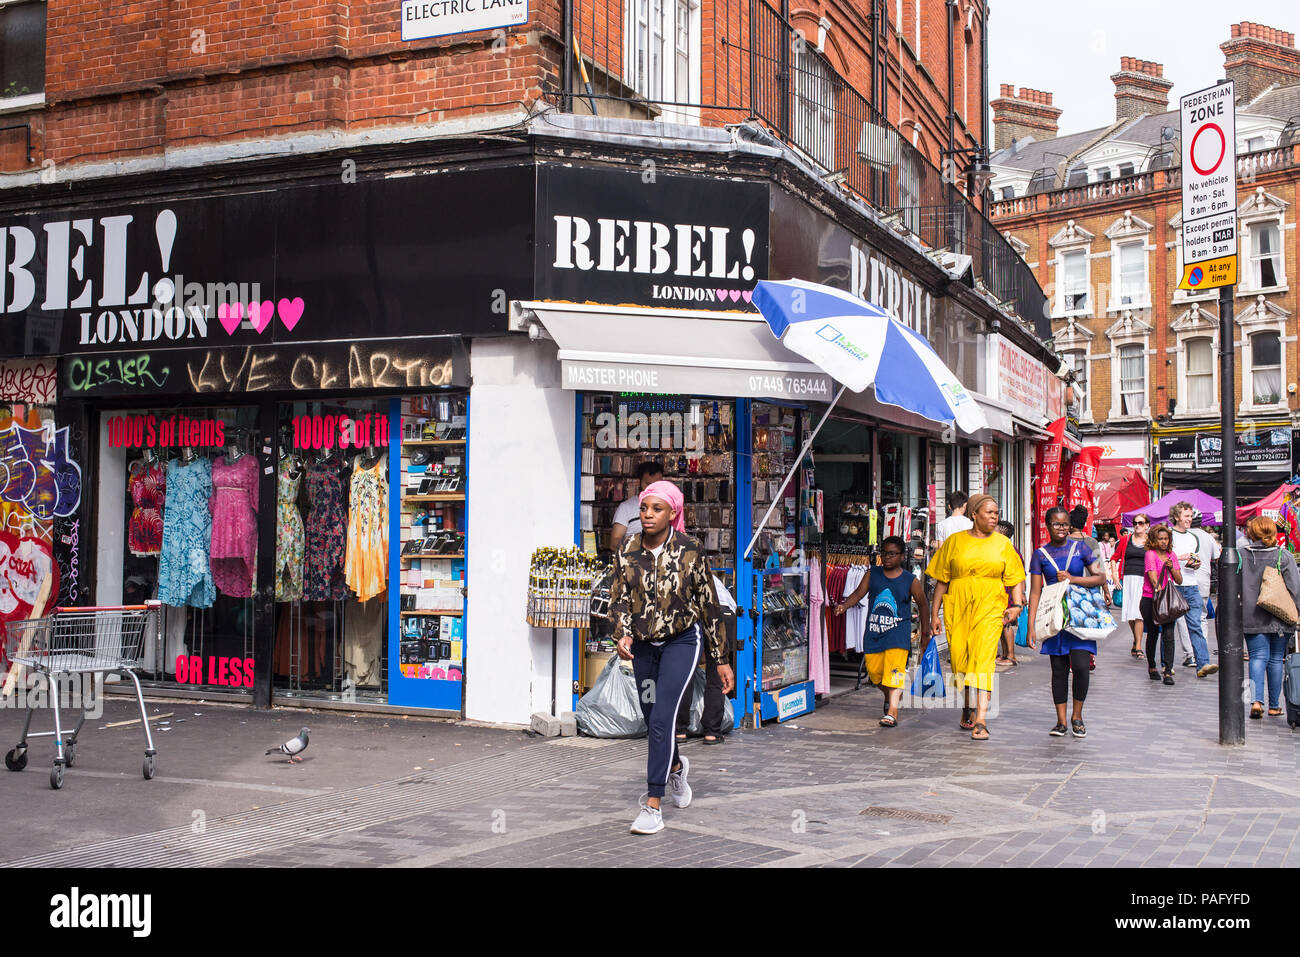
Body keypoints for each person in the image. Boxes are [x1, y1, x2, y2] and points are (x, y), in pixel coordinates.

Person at [611, 480, 734, 835]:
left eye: (657, 509)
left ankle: (652, 804)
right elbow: (618, 597)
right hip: (645, 647)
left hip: (682, 641)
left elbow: (709, 607)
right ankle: (677, 769)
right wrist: (623, 632)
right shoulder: (627, 548)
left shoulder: (690, 550)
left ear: (673, 513)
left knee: (664, 718)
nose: (648, 515)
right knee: (653, 722)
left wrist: (720, 659)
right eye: (645, 508)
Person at [926, 493, 1026, 741]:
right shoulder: (955, 542)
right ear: (974, 514)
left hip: (990, 606)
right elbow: (942, 580)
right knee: (961, 660)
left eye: (996, 513)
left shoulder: (1002, 544)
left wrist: (1017, 605)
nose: (995, 517)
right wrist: (933, 615)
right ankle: (967, 705)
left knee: (983, 659)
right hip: (958, 606)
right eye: (989, 513)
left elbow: (1015, 578)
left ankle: (981, 718)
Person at [834, 536, 933, 727]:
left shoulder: (910, 580)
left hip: (898, 635)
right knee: (875, 674)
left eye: (892, 554)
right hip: (874, 633)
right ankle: (891, 695)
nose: (887, 557)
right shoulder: (873, 574)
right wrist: (844, 606)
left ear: (902, 556)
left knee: (894, 673)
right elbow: (858, 593)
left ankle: (892, 711)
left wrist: (925, 633)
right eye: (884, 553)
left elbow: (923, 604)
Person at [1027, 507, 1107, 737]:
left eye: (1064, 524)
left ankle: (1077, 715)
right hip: (1055, 617)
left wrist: (1074, 579)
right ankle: (1061, 721)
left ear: (1069, 525)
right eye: (1056, 524)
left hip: (1079, 615)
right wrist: (1031, 625)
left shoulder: (1081, 547)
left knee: (1082, 667)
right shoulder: (1040, 554)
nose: (1061, 529)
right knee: (1058, 669)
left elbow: (1100, 577)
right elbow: (1034, 591)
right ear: (1047, 525)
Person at [1240, 516, 1300, 719]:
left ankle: (1256, 702)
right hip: (1280, 617)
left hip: (1251, 615)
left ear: (1251, 532)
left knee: (1257, 657)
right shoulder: (1284, 556)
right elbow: (1295, 589)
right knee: (1276, 659)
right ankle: (1274, 706)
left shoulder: (1240, 555)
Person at [676, 574, 735, 745]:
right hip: (725, 613)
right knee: (716, 673)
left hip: (701, 614)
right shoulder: (710, 576)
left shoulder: (682, 574)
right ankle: (712, 732)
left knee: (686, 673)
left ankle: (679, 730)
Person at [1169, 502, 1217, 678]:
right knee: (1168, 627)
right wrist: (1178, 557)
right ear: (1176, 517)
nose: (1190, 519)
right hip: (1173, 585)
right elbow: (1163, 557)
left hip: (1191, 584)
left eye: (1190, 516)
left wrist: (1195, 562)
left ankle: (1202, 664)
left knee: (1195, 624)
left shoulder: (1192, 537)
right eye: (1186, 516)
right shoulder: (1168, 535)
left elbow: (1195, 561)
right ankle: (1167, 665)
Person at [1141, 523, 1183, 685]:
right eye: (1160, 539)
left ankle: (1167, 671)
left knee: (1169, 635)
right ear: (1154, 540)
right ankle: (1152, 666)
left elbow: (1179, 580)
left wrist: (1172, 568)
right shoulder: (1150, 554)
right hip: (1150, 600)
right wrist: (1158, 590)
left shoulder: (1171, 555)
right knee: (1153, 634)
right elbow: (1152, 578)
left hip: (1167, 600)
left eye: (1166, 539)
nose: (1163, 542)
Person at [1114, 517, 1149, 658]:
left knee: (1139, 613)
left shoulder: (1151, 541)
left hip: (1144, 579)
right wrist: (1115, 576)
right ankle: (1136, 638)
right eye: (1135, 523)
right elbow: (1114, 557)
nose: (1137, 525)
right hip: (1128, 578)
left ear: (1147, 525)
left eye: (1141, 523)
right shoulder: (1126, 539)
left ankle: (1139, 646)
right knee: (1130, 613)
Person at [609, 461, 664, 550]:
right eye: (648, 484)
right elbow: (614, 543)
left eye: (657, 484)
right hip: (634, 561)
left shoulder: (668, 507)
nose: (652, 488)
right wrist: (640, 548)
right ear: (639, 482)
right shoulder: (626, 507)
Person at [1068, 505, 1109, 606]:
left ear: (1070, 524)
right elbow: (1100, 570)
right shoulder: (1092, 542)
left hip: (1068, 590)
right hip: (1090, 590)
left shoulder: (1063, 542)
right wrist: (1106, 590)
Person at [996, 520, 1022, 665]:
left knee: (1006, 624)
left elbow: (1019, 576)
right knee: (1001, 624)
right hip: (1003, 592)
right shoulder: (1002, 548)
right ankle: (1005, 653)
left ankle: (1011, 655)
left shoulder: (1011, 550)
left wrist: (1020, 596)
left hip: (1008, 593)